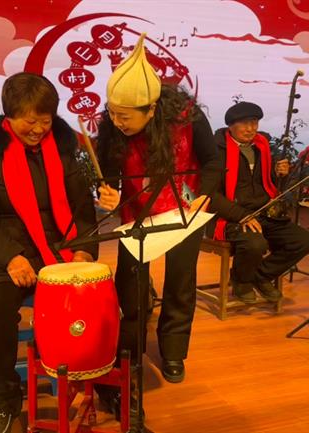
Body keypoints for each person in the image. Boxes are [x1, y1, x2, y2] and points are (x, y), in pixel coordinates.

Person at [0, 72, 98, 433]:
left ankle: (82, 375)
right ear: (10, 115)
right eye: (29, 121)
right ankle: (1, 399)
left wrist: (83, 251)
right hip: (1, 248)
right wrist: (10, 257)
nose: (38, 129)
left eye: (45, 121)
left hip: (57, 245)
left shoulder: (62, 147)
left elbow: (82, 208)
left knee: (95, 294)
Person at [95, 33, 218, 392]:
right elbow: (109, 171)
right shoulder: (112, 124)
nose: (117, 121)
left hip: (184, 209)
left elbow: (212, 161)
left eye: (125, 116)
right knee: (129, 283)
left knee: (181, 283)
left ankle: (174, 352)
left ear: (150, 109)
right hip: (137, 212)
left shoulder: (188, 117)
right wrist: (108, 191)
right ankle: (130, 351)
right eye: (112, 113)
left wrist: (205, 195)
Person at [208, 101, 309, 304]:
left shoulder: (262, 146)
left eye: (254, 123)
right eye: (245, 123)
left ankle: (259, 276)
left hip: (264, 212)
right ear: (231, 125)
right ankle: (241, 282)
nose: (251, 129)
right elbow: (210, 194)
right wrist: (241, 215)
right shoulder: (216, 150)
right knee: (255, 243)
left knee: (303, 241)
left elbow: (267, 185)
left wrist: (280, 174)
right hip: (230, 216)